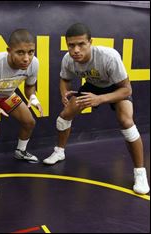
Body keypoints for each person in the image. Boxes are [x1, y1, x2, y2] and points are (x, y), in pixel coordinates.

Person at [43, 23, 150, 195]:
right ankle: (59, 152)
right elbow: (65, 79)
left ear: (90, 42)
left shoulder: (109, 57)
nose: (76, 50)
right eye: (71, 45)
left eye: (81, 44)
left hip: (116, 89)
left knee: (126, 123)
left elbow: (126, 89)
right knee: (63, 117)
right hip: (93, 87)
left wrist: (99, 99)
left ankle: (140, 173)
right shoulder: (68, 59)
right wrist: (64, 94)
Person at [0, 29, 44, 195]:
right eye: (20, 52)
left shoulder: (34, 63)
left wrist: (33, 98)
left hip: (7, 94)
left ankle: (20, 151)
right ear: (9, 51)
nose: (26, 58)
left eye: (30, 52)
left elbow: (29, 87)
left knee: (29, 122)